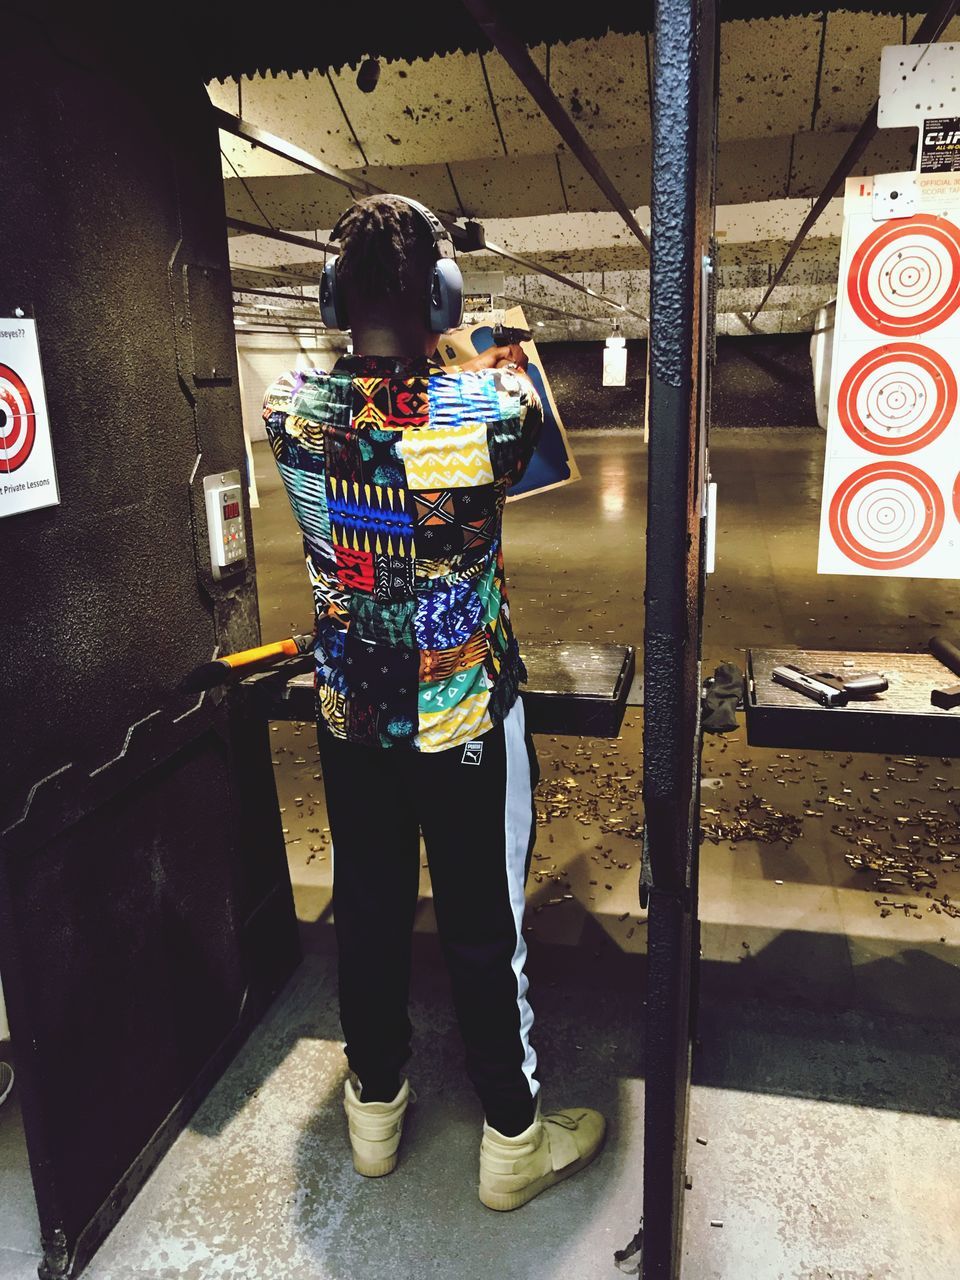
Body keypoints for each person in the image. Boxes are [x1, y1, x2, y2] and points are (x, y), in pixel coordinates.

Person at [262, 193, 604, 1210]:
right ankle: (512, 1137)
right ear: (443, 293)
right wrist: (458, 341)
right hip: (460, 716)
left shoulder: (290, 406)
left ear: (333, 297)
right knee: (479, 923)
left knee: (365, 909)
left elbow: (361, 409)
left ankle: (374, 1116)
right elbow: (517, 429)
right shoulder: (490, 408)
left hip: (352, 715)